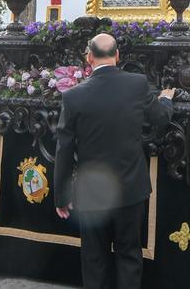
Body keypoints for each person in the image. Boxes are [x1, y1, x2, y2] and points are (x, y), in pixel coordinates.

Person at [53, 34, 174, 288]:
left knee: (94, 258)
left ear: (89, 58)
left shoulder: (73, 96)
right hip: (130, 187)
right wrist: (166, 99)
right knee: (129, 254)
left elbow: (64, 148)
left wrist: (61, 197)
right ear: (118, 55)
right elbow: (160, 118)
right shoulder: (137, 84)